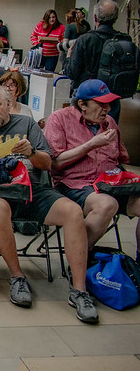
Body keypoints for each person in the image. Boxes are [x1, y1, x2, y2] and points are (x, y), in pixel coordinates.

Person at [0, 85, 98, 324]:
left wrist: (30, 152)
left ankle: (80, 290)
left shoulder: (27, 125)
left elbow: (47, 163)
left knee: (72, 211)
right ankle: (17, 277)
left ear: (8, 104)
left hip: (34, 188)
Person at [45, 79, 140, 259]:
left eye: (109, 103)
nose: (108, 109)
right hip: (74, 184)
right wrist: (91, 145)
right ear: (82, 104)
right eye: (102, 104)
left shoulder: (109, 121)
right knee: (107, 204)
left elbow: (122, 157)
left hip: (109, 182)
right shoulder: (59, 119)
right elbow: (54, 163)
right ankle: (80, 259)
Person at [67, 0, 140, 121]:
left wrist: (68, 57)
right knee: (108, 132)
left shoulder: (86, 40)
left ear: (95, 18)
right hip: (111, 97)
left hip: (86, 98)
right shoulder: (125, 40)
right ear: (115, 18)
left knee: (78, 135)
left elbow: (72, 73)